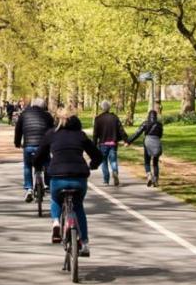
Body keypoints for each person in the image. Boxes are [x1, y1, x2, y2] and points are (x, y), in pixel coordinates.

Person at [34, 109, 102, 257]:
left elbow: (39, 155)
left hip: (58, 176)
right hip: (79, 177)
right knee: (78, 207)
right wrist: (93, 165)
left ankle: (56, 223)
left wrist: (38, 166)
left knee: (55, 199)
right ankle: (84, 243)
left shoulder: (51, 134)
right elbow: (97, 154)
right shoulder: (80, 135)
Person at [14, 96, 54, 202]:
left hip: (28, 145)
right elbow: (52, 131)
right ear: (44, 106)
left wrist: (17, 143)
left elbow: (18, 130)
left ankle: (29, 188)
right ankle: (47, 183)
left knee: (27, 166)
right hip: (43, 146)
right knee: (47, 163)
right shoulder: (47, 116)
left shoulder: (24, 114)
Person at [92, 101, 129, 186]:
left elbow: (95, 134)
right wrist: (126, 140)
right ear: (109, 108)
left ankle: (106, 180)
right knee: (113, 160)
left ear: (102, 108)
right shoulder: (114, 117)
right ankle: (115, 172)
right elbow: (121, 130)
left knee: (103, 161)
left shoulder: (98, 119)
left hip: (102, 144)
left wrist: (93, 145)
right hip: (113, 143)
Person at [127, 109, 164, 186]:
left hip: (147, 142)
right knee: (155, 162)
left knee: (147, 161)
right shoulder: (159, 125)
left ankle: (149, 175)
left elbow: (137, 133)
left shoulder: (145, 123)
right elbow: (160, 135)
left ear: (148, 116)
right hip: (156, 141)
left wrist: (129, 141)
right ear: (156, 116)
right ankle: (156, 180)